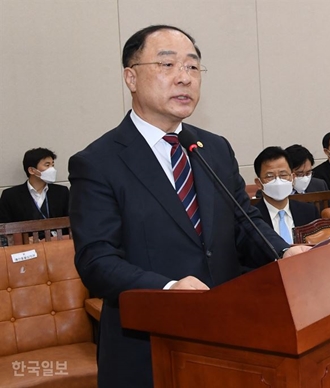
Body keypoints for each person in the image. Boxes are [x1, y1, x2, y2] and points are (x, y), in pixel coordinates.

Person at [68, 25, 309, 388]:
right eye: (167, 65)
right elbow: (96, 261)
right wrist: (167, 288)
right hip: (149, 347)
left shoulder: (212, 148)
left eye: (193, 67)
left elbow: (245, 221)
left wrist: (284, 252)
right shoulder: (97, 162)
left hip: (230, 338)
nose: (184, 78)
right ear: (130, 77)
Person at [253, 147, 320, 242]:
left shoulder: (309, 212)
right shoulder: (251, 219)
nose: (278, 181)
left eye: (283, 175)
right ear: (259, 183)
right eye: (270, 176)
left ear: (292, 178)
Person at [0, 148, 69, 226]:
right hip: (26, 238)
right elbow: (4, 226)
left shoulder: (62, 192)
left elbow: (71, 221)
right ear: (32, 170)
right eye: (47, 165)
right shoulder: (10, 196)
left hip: (57, 238)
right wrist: (22, 238)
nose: (52, 169)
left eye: (52, 165)